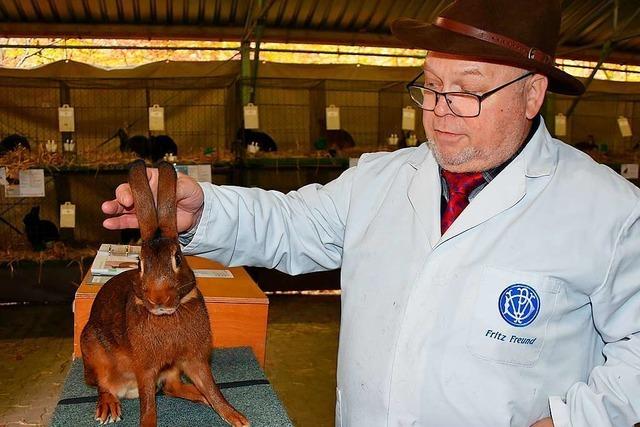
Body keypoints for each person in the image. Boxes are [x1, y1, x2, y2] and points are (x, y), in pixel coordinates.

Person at [102, 0, 640, 425]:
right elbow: (294, 224)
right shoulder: (382, 179)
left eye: (468, 91)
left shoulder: (605, 211)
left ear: (532, 95)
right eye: (430, 85)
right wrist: (201, 212)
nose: (439, 111)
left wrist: (575, 422)